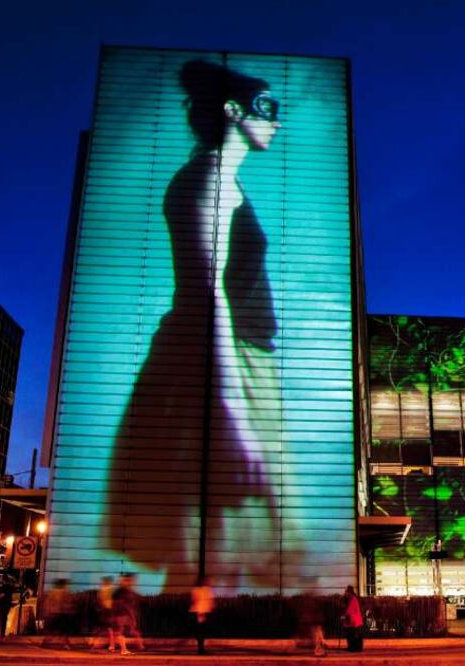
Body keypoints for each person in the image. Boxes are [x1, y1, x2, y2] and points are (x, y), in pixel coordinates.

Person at [104, 57, 288, 592]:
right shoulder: (206, 181)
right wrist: (231, 409)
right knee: (212, 540)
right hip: (215, 366)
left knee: (220, 540)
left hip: (232, 361)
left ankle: (194, 614)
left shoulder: (222, 181)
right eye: (266, 107)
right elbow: (206, 295)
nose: (276, 120)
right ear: (232, 110)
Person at [111, 574, 145, 655]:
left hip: (122, 614)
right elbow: (126, 605)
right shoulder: (122, 592)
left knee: (121, 632)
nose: (131, 582)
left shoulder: (122, 591)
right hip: (122, 615)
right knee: (121, 632)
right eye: (128, 580)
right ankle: (122, 649)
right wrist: (131, 616)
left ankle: (121, 648)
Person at [189, 576, 215, 655]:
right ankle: (201, 649)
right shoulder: (204, 590)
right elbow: (198, 602)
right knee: (202, 632)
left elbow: (194, 601)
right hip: (201, 612)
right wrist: (201, 614)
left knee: (201, 632)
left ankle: (201, 648)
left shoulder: (198, 590)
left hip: (201, 612)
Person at [93, 576, 116, 652]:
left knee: (107, 628)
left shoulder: (104, 590)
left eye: (103, 581)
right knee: (109, 629)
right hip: (108, 610)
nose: (102, 582)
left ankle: (110, 645)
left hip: (105, 610)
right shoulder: (111, 589)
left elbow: (99, 599)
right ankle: (111, 645)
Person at [342, 585, 364, 652]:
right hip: (354, 620)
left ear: (349, 593)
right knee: (354, 635)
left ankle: (353, 648)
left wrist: (344, 616)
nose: (345, 593)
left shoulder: (352, 599)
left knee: (352, 634)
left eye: (346, 592)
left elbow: (349, 610)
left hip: (353, 621)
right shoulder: (352, 599)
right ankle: (355, 648)